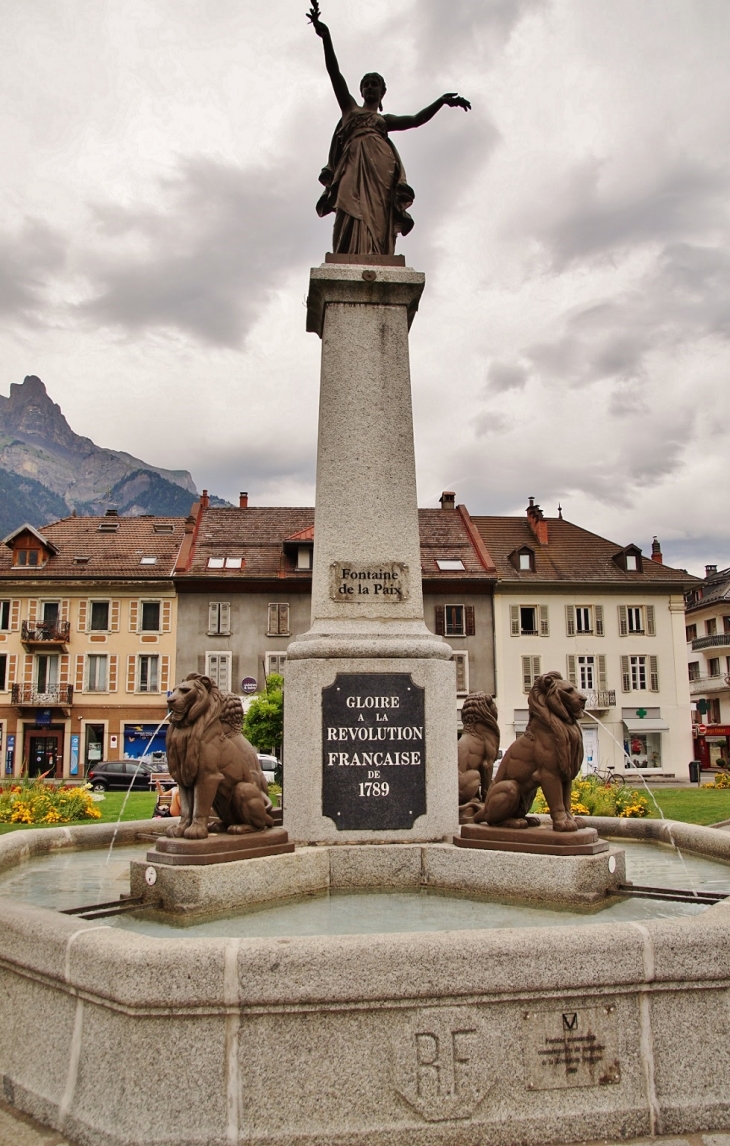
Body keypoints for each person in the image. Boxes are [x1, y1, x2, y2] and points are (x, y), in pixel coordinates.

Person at [307, 2, 470, 256]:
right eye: (367, 84)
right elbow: (334, 74)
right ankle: (348, 255)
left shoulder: (385, 121)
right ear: (361, 90)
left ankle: (377, 255)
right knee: (348, 204)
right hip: (352, 162)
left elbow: (416, 119)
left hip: (381, 168)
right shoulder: (350, 110)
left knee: (378, 210)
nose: (370, 87)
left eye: (375, 84)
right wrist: (326, 38)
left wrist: (440, 102)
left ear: (383, 92)